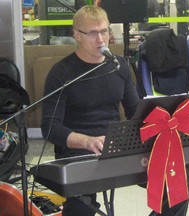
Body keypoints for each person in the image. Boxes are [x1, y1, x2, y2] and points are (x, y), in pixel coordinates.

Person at [41, 5, 140, 216]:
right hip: (77, 152)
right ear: (77, 35)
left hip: (116, 147)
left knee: (176, 183)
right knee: (80, 207)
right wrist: (87, 141)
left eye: (104, 31)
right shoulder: (62, 73)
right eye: (93, 33)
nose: (101, 39)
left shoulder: (119, 66)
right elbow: (50, 128)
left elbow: (135, 111)